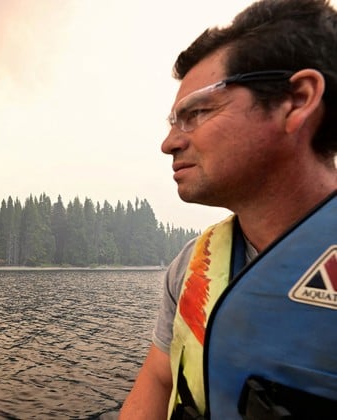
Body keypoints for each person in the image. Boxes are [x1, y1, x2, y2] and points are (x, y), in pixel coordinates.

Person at [119, 0, 337, 418]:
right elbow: (160, 379)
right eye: (172, 121)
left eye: (197, 112)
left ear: (297, 100)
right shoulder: (190, 267)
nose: (169, 143)